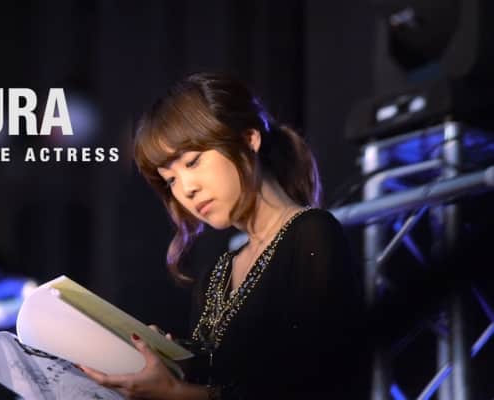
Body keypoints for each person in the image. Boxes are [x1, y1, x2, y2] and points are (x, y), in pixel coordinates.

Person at [80, 73, 368, 399]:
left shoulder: (311, 233)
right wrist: (172, 359)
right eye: (170, 180)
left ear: (248, 138)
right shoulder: (217, 275)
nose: (186, 189)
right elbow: (227, 376)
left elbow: (310, 384)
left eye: (193, 162)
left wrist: (177, 393)